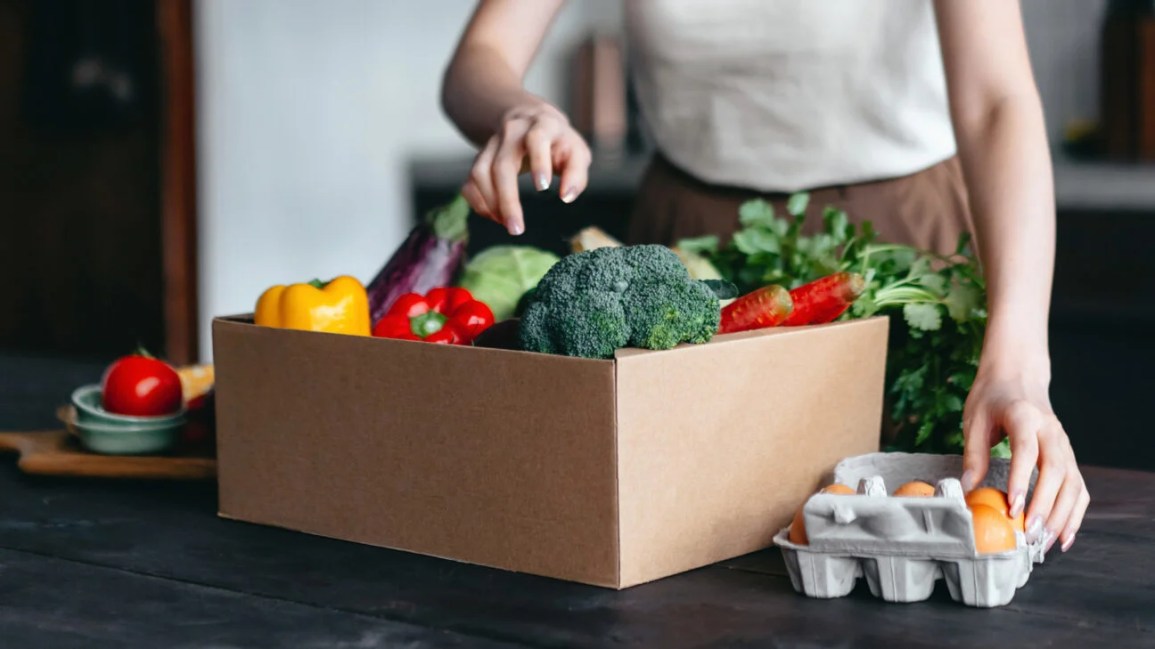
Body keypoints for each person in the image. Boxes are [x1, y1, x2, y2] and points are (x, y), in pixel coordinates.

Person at [440, 0, 1088, 553]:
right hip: (689, 252)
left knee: (905, 543)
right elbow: (480, 57)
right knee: (682, 555)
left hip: (895, 246)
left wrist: (1018, 366)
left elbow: (995, 102)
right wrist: (517, 110)